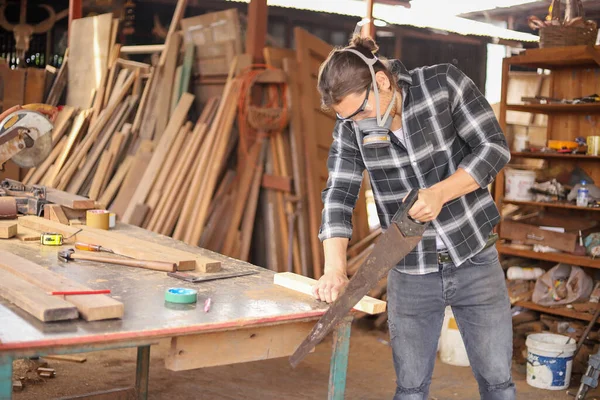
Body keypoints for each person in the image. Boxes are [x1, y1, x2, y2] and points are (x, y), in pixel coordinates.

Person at [312, 34, 515, 400]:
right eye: (347, 117)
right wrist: (334, 268)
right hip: (410, 270)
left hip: (474, 257)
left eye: (360, 111)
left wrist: (441, 192)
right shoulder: (350, 129)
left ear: (383, 82)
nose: (357, 122)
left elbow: (494, 147)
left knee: (498, 383)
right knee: (410, 389)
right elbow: (339, 196)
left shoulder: (443, 85)